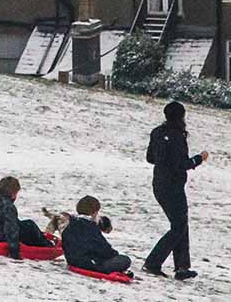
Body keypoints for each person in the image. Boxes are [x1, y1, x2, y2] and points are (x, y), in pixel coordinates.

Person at [143, 101, 209, 281]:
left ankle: (182, 266)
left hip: (159, 184)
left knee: (180, 224)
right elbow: (182, 164)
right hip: (174, 186)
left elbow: (150, 158)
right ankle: (154, 262)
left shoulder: (157, 132)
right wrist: (199, 159)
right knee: (179, 226)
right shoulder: (178, 136)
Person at [0, 176, 55, 258]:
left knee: (22, 224)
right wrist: (15, 253)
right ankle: (47, 245)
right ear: (13, 194)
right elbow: (11, 230)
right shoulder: (8, 207)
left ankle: (43, 239)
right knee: (30, 225)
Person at [62, 196, 132, 276]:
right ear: (94, 212)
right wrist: (114, 255)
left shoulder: (70, 224)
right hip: (90, 264)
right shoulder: (90, 227)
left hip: (72, 261)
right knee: (125, 260)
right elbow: (103, 248)